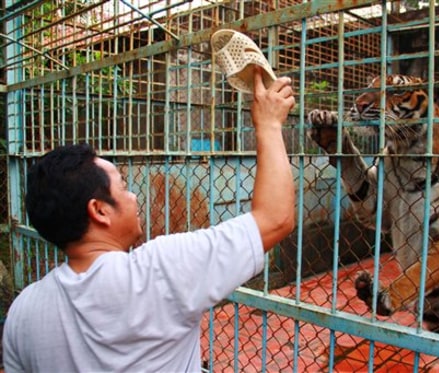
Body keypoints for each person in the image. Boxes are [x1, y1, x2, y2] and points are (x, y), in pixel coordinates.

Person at [2, 67, 296, 372]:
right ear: (99, 210)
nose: (133, 197)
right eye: (124, 187)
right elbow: (276, 219)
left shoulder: (24, 311)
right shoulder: (160, 271)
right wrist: (270, 125)